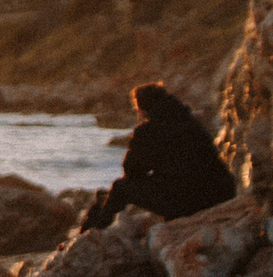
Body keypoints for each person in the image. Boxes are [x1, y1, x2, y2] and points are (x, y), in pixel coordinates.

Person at [82, 83, 237, 229]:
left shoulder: (148, 130)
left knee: (120, 187)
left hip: (186, 202)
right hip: (218, 195)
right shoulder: (191, 122)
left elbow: (131, 171)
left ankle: (96, 233)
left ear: (142, 109)